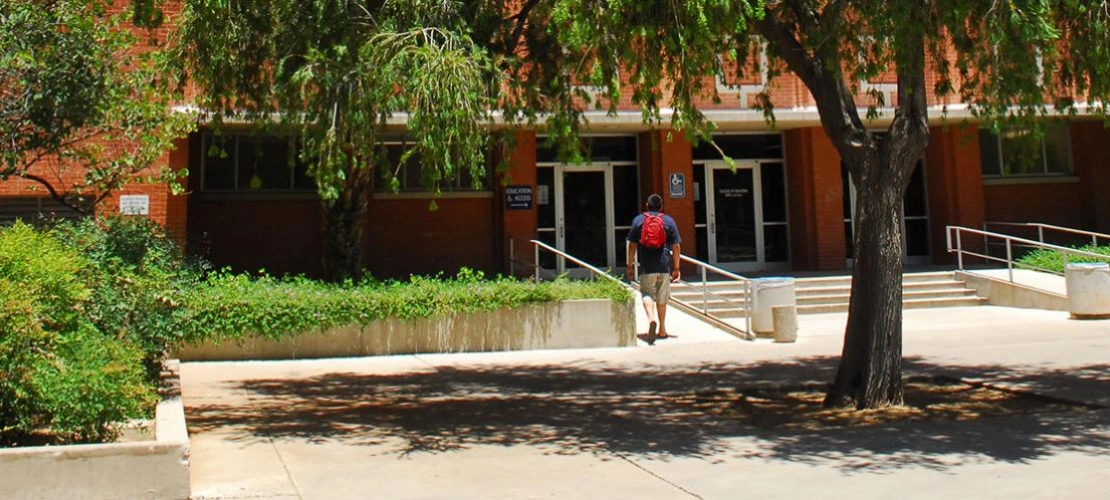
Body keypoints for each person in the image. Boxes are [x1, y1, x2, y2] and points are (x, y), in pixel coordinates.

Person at [625, 193, 681, 345]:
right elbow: (676, 246)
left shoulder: (639, 220)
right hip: (664, 265)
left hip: (646, 265)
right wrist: (676, 267)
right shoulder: (668, 221)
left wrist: (629, 265)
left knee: (647, 293)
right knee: (662, 298)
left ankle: (651, 319)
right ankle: (662, 330)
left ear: (646, 206)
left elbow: (632, 245)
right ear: (661, 207)